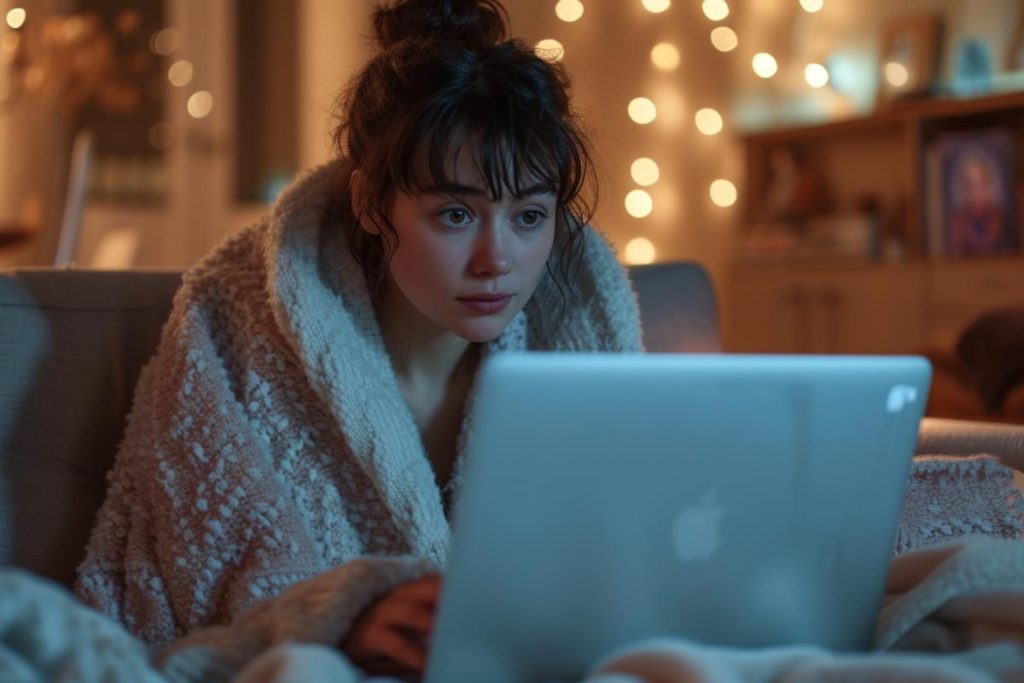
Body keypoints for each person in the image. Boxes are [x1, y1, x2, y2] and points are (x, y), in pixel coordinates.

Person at [74, 0, 642, 677]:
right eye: (455, 213)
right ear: (373, 203)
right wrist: (343, 616)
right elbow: (171, 623)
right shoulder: (232, 336)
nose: (498, 258)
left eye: (528, 215)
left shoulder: (579, 343)